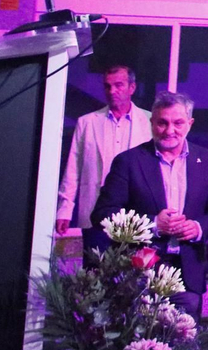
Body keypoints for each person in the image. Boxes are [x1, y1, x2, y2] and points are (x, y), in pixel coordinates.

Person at [91, 91, 208, 320]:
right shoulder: (129, 162)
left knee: (184, 349)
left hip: (188, 274)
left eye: (178, 123)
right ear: (151, 122)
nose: (169, 130)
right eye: (162, 122)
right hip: (138, 274)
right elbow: (102, 216)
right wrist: (152, 224)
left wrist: (198, 227)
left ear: (190, 124)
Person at [57, 64, 153, 248]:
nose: (112, 91)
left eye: (118, 85)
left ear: (132, 88)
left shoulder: (149, 122)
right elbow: (73, 168)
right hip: (95, 211)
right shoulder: (87, 122)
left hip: (137, 214)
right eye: (107, 86)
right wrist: (65, 209)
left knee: (134, 273)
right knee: (95, 271)